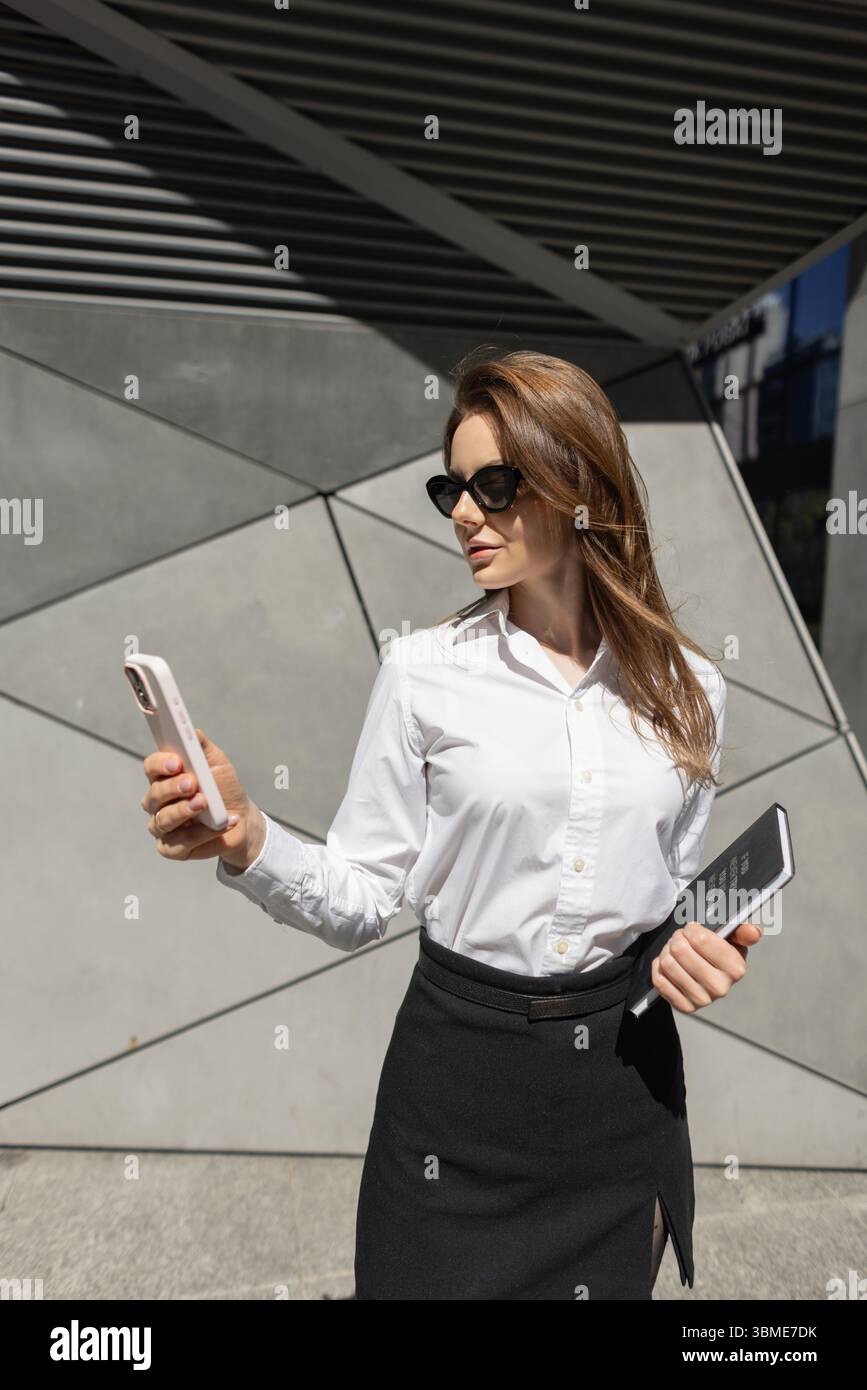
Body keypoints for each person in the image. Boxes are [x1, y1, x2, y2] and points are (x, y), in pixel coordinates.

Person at [139, 349, 762, 1300]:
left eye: (495, 485)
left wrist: (693, 945)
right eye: (453, 489)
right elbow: (359, 897)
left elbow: (665, 898)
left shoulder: (691, 689)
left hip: (617, 1098)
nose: (465, 513)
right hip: (456, 1094)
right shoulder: (424, 672)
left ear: (576, 486)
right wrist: (247, 837)